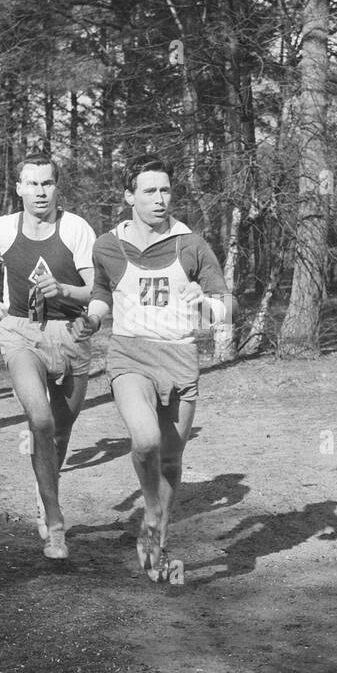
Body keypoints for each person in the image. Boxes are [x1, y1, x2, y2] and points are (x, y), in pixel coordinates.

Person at [74, 156, 234, 583]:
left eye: (165, 190)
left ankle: (157, 537)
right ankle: (150, 509)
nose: (160, 199)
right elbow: (102, 293)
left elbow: (227, 309)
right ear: (129, 196)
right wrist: (91, 321)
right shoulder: (108, 245)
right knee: (144, 440)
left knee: (171, 460)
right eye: (149, 191)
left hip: (179, 358)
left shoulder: (191, 245)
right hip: (130, 355)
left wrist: (204, 303)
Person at [0, 155, 96, 561]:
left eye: (48, 183)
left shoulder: (76, 229)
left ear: (58, 187)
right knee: (39, 420)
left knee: (59, 433)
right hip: (20, 331)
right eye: (32, 184)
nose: (40, 192)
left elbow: (95, 291)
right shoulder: (2, 228)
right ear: (19, 188)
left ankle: (46, 493)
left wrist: (62, 289)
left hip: (72, 334)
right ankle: (56, 526)